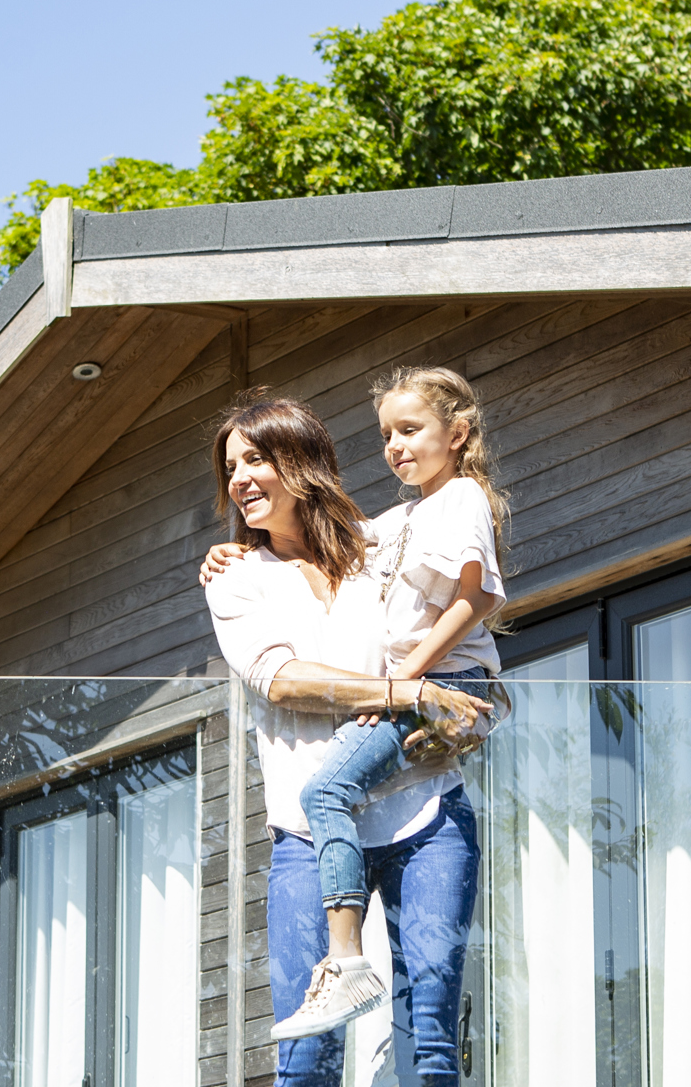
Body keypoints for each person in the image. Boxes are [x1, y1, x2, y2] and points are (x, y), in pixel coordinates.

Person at [202, 391, 493, 1087]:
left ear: (302, 463)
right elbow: (281, 681)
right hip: (308, 832)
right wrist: (407, 693)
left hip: (426, 812)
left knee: (432, 1048)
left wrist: (458, 696)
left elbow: (465, 566)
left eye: (256, 459)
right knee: (306, 1063)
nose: (239, 478)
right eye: (230, 467)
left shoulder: (386, 544)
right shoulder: (237, 577)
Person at [271, 366, 509, 1040]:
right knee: (335, 793)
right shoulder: (402, 516)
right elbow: (325, 540)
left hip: (443, 682)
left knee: (323, 794)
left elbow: (478, 598)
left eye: (411, 429)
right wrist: (235, 549)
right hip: (417, 687)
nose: (395, 446)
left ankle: (345, 961)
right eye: (385, 435)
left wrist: (407, 676)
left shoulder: (462, 496)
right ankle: (349, 958)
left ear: (457, 434)